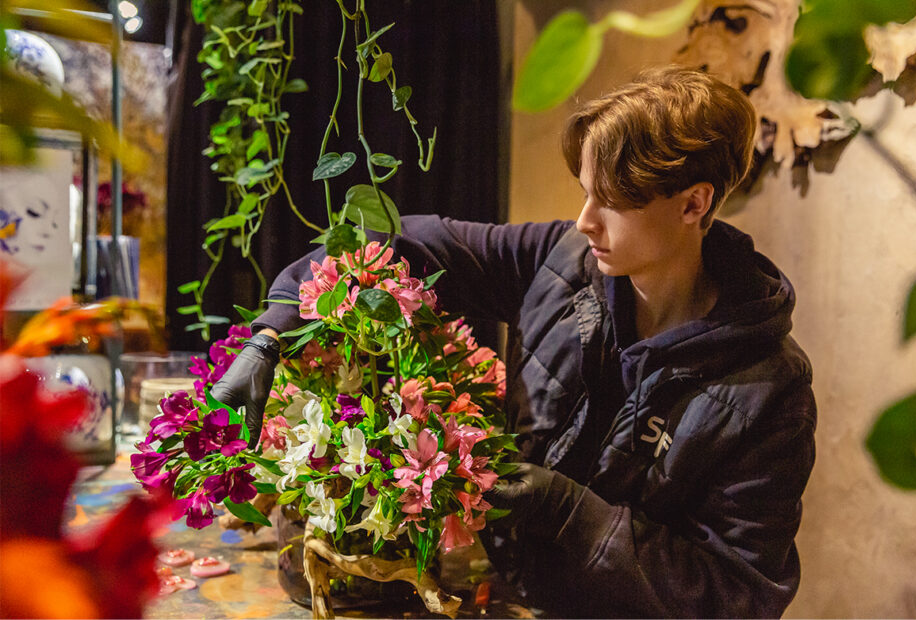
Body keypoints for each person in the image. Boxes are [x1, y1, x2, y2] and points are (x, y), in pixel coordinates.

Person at [212, 65, 816, 618]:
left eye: (613, 201)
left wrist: (571, 516)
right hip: (498, 597)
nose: (585, 219)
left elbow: (738, 594)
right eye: (586, 190)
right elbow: (397, 244)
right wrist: (272, 331)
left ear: (694, 203)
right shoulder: (563, 262)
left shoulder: (769, 390)